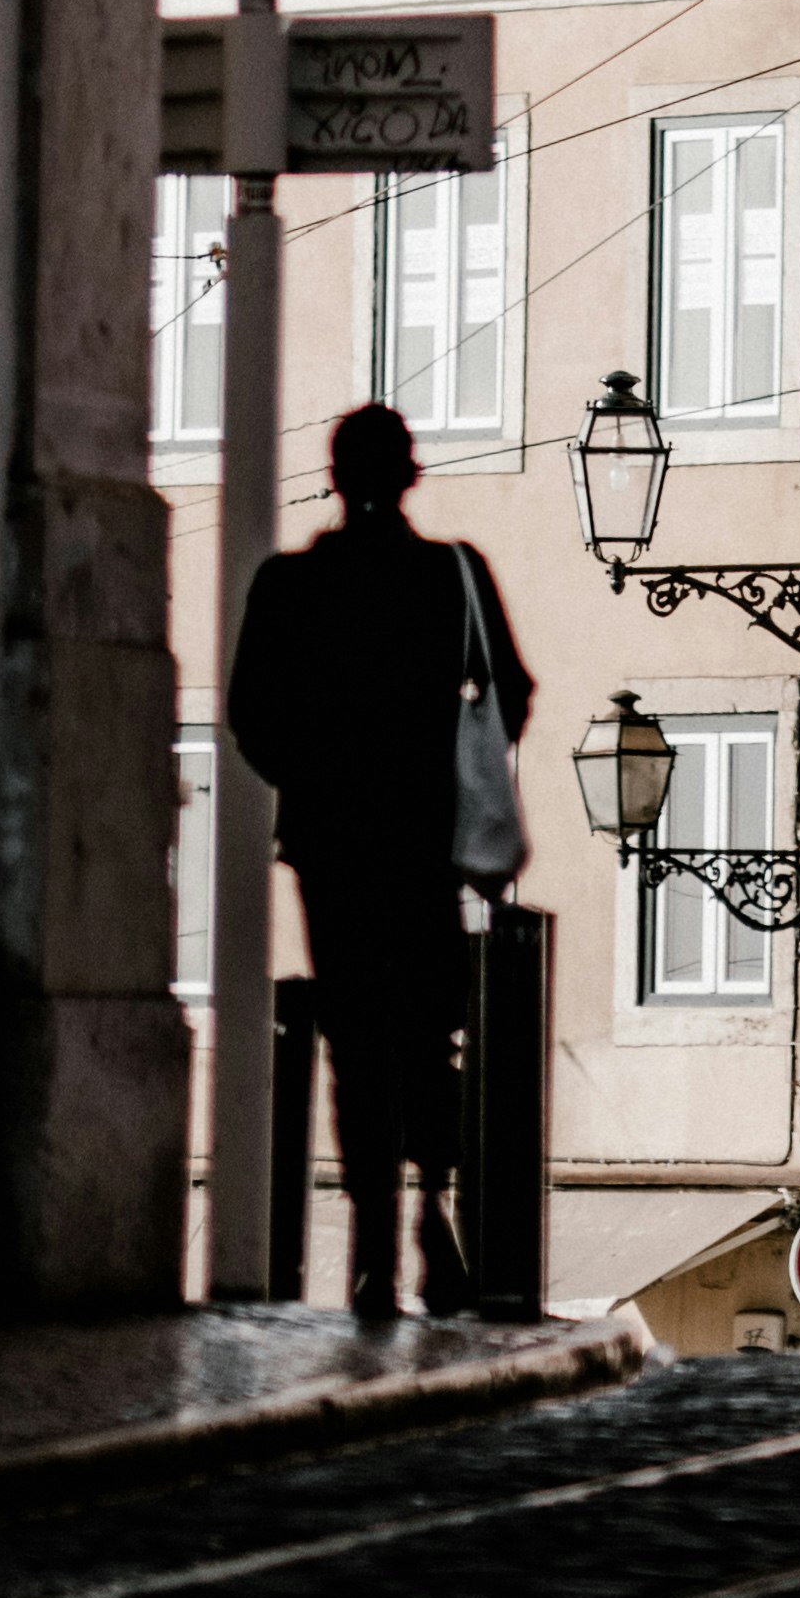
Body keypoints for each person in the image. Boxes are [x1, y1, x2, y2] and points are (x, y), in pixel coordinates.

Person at [226, 403, 533, 1316]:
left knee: (355, 1035)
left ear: (332, 477)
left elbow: (250, 712)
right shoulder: (452, 573)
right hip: (427, 843)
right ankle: (434, 1209)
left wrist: (316, 774)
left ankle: (370, 1247)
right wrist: (447, 767)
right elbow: (510, 690)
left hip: (332, 843)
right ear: (409, 477)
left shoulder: (289, 584)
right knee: (429, 1027)